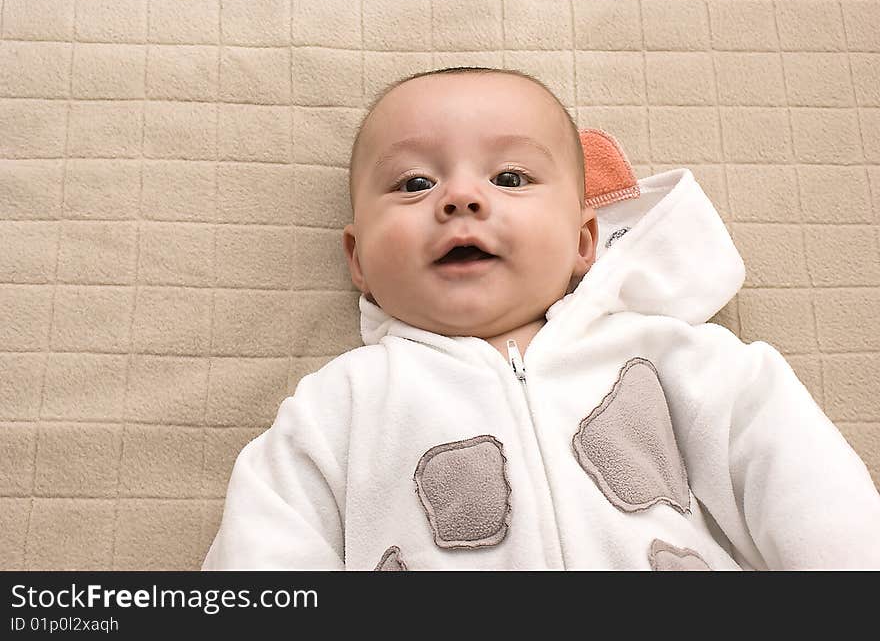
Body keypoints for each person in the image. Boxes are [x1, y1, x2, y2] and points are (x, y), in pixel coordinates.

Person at [202, 67, 880, 570]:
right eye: (414, 183)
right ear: (359, 259)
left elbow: (809, 494)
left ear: (584, 242)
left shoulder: (683, 361)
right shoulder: (335, 409)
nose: (461, 197)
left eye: (511, 178)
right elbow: (266, 557)